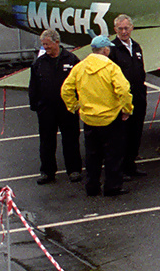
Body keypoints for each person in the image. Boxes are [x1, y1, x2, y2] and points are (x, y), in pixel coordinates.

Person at [60, 35, 134, 197]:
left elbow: (66, 89)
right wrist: (127, 109)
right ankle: (112, 186)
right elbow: (123, 90)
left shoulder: (80, 67)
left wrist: (74, 106)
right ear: (106, 50)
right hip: (110, 117)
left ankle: (92, 186)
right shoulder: (111, 68)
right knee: (113, 154)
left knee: (92, 155)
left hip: (89, 118)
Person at [28, 29, 82, 184]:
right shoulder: (39, 63)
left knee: (71, 140)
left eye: (48, 44)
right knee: (46, 141)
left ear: (57, 42)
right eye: (43, 45)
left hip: (67, 109)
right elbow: (34, 86)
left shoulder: (72, 59)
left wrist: (78, 105)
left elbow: (80, 84)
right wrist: (35, 105)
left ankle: (74, 170)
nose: (45, 47)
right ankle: (47, 172)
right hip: (46, 110)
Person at [107, 14, 147, 178]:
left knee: (135, 133)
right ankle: (120, 169)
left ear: (132, 28)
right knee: (121, 136)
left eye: (126, 28)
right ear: (115, 29)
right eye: (120, 29)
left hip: (138, 96)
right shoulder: (112, 49)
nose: (124, 31)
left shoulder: (136, 47)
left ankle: (131, 165)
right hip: (121, 99)